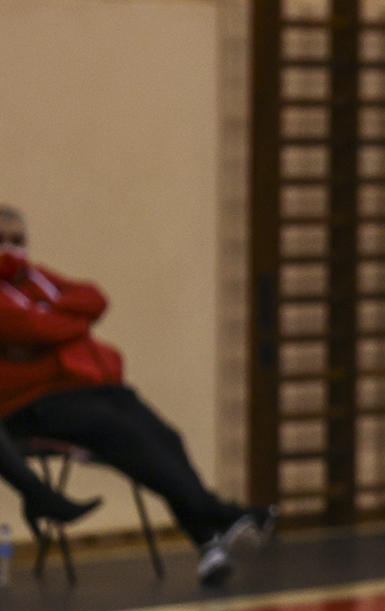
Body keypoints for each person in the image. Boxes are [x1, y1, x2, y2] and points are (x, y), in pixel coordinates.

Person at [0, 206, 275, 585]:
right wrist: (64, 319)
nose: (11, 250)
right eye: (2, 242)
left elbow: (93, 297)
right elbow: (33, 327)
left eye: (18, 241)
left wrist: (57, 314)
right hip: (35, 402)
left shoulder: (37, 279)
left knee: (165, 437)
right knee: (128, 440)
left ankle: (210, 544)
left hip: (93, 387)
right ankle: (221, 515)